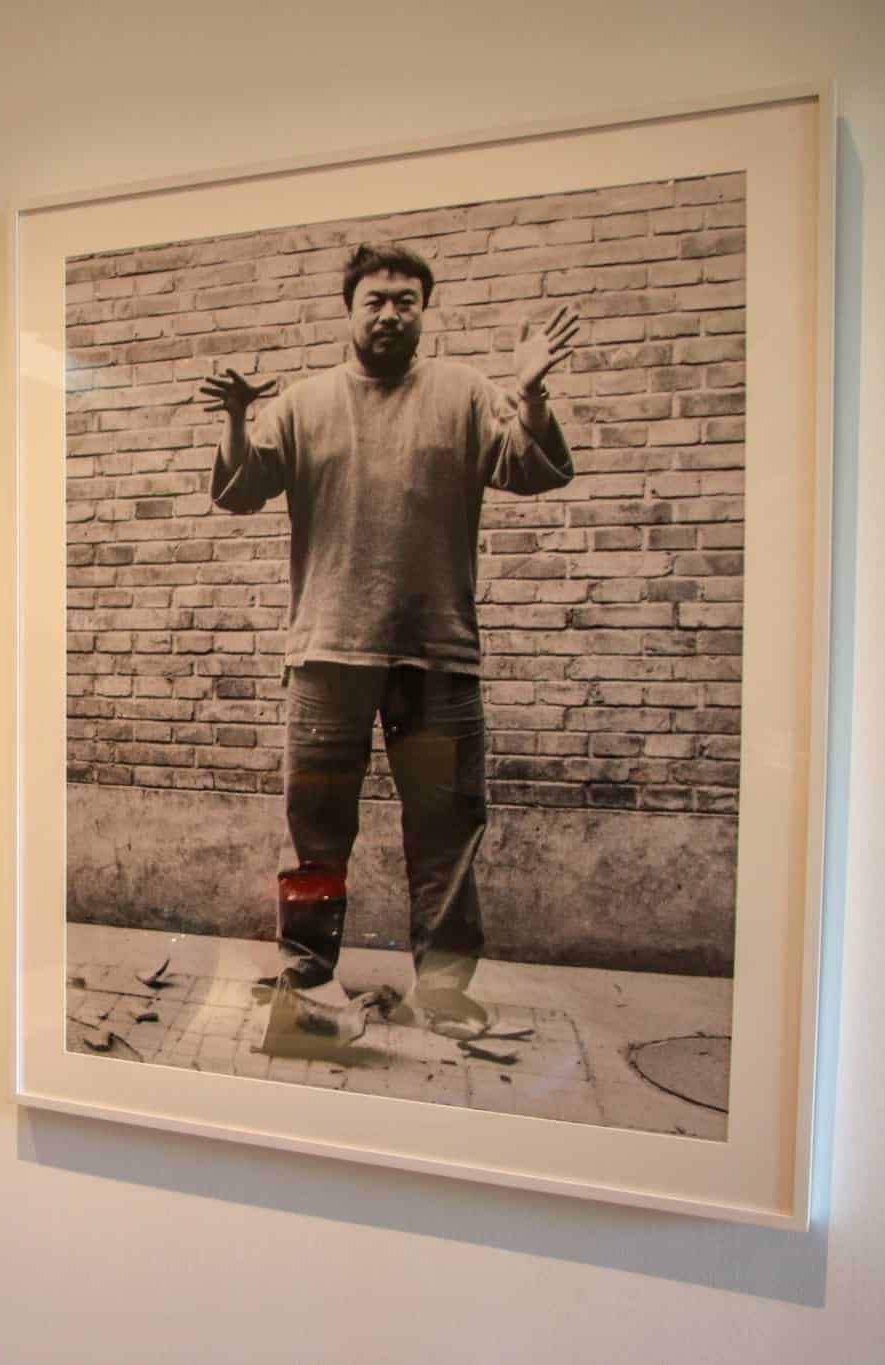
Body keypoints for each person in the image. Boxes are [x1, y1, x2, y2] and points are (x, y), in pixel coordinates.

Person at [199, 241, 581, 1042]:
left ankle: (442, 990)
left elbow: (532, 467)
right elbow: (239, 490)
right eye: (374, 300)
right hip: (327, 659)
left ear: (424, 312)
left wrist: (531, 394)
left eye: (406, 300)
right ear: (349, 311)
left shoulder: (465, 393)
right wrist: (235, 420)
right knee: (316, 832)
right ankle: (308, 974)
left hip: (437, 659)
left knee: (446, 831)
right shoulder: (303, 404)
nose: (390, 313)